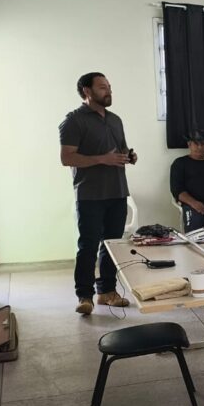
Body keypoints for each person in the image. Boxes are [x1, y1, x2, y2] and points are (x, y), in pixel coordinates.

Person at [59, 72, 136, 314]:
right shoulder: (73, 121)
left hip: (117, 191)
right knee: (88, 246)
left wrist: (129, 156)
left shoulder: (115, 119)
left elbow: (120, 150)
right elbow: (67, 158)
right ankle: (85, 296)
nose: (109, 91)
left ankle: (107, 292)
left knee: (112, 245)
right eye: (103, 87)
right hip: (90, 195)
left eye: (109, 86)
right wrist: (103, 159)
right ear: (87, 91)